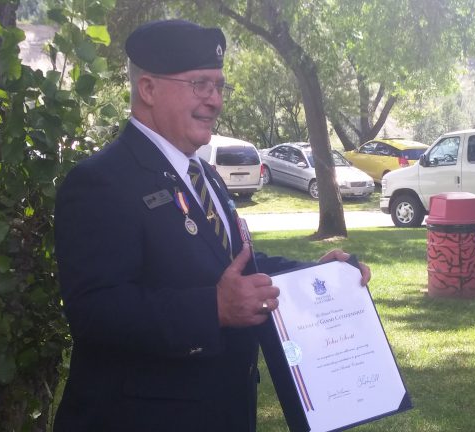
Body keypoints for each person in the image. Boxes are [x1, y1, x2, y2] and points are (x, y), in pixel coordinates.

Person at [52, 20, 371, 432]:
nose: (215, 100)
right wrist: (212, 309)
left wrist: (315, 274)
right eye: (200, 84)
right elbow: (95, 311)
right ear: (148, 89)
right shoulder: (101, 181)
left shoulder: (205, 176)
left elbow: (237, 266)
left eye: (219, 86)